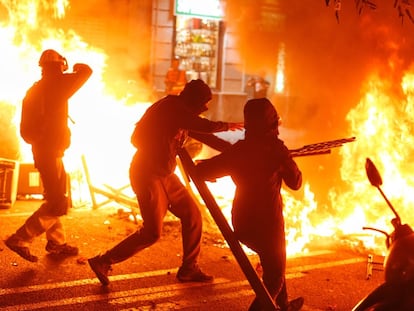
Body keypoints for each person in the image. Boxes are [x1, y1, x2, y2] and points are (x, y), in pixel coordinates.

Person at [88, 79, 243, 286]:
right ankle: (104, 260)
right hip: (147, 174)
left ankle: (189, 268)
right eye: (203, 102)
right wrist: (226, 126)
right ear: (193, 99)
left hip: (165, 174)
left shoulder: (183, 115)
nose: (204, 108)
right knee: (152, 233)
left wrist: (238, 153)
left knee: (193, 215)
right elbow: (204, 126)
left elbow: (206, 136)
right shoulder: (171, 108)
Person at [195, 98, 304, 311]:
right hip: (268, 225)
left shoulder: (240, 150)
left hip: (243, 223)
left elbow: (205, 171)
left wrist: (204, 169)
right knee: (274, 278)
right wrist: (287, 158)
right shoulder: (276, 150)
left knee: (275, 265)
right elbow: (296, 182)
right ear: (273, 123)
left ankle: (283, 305)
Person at [5, 49, 93, 262]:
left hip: (45, 151)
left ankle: (56, 242)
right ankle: (21, 238)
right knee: (56, 202)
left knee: (57, 196)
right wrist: (76, 67)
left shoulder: (35, 89)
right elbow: (86, 72)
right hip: (50, 152)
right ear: (59, 65)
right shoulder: (57, 83)